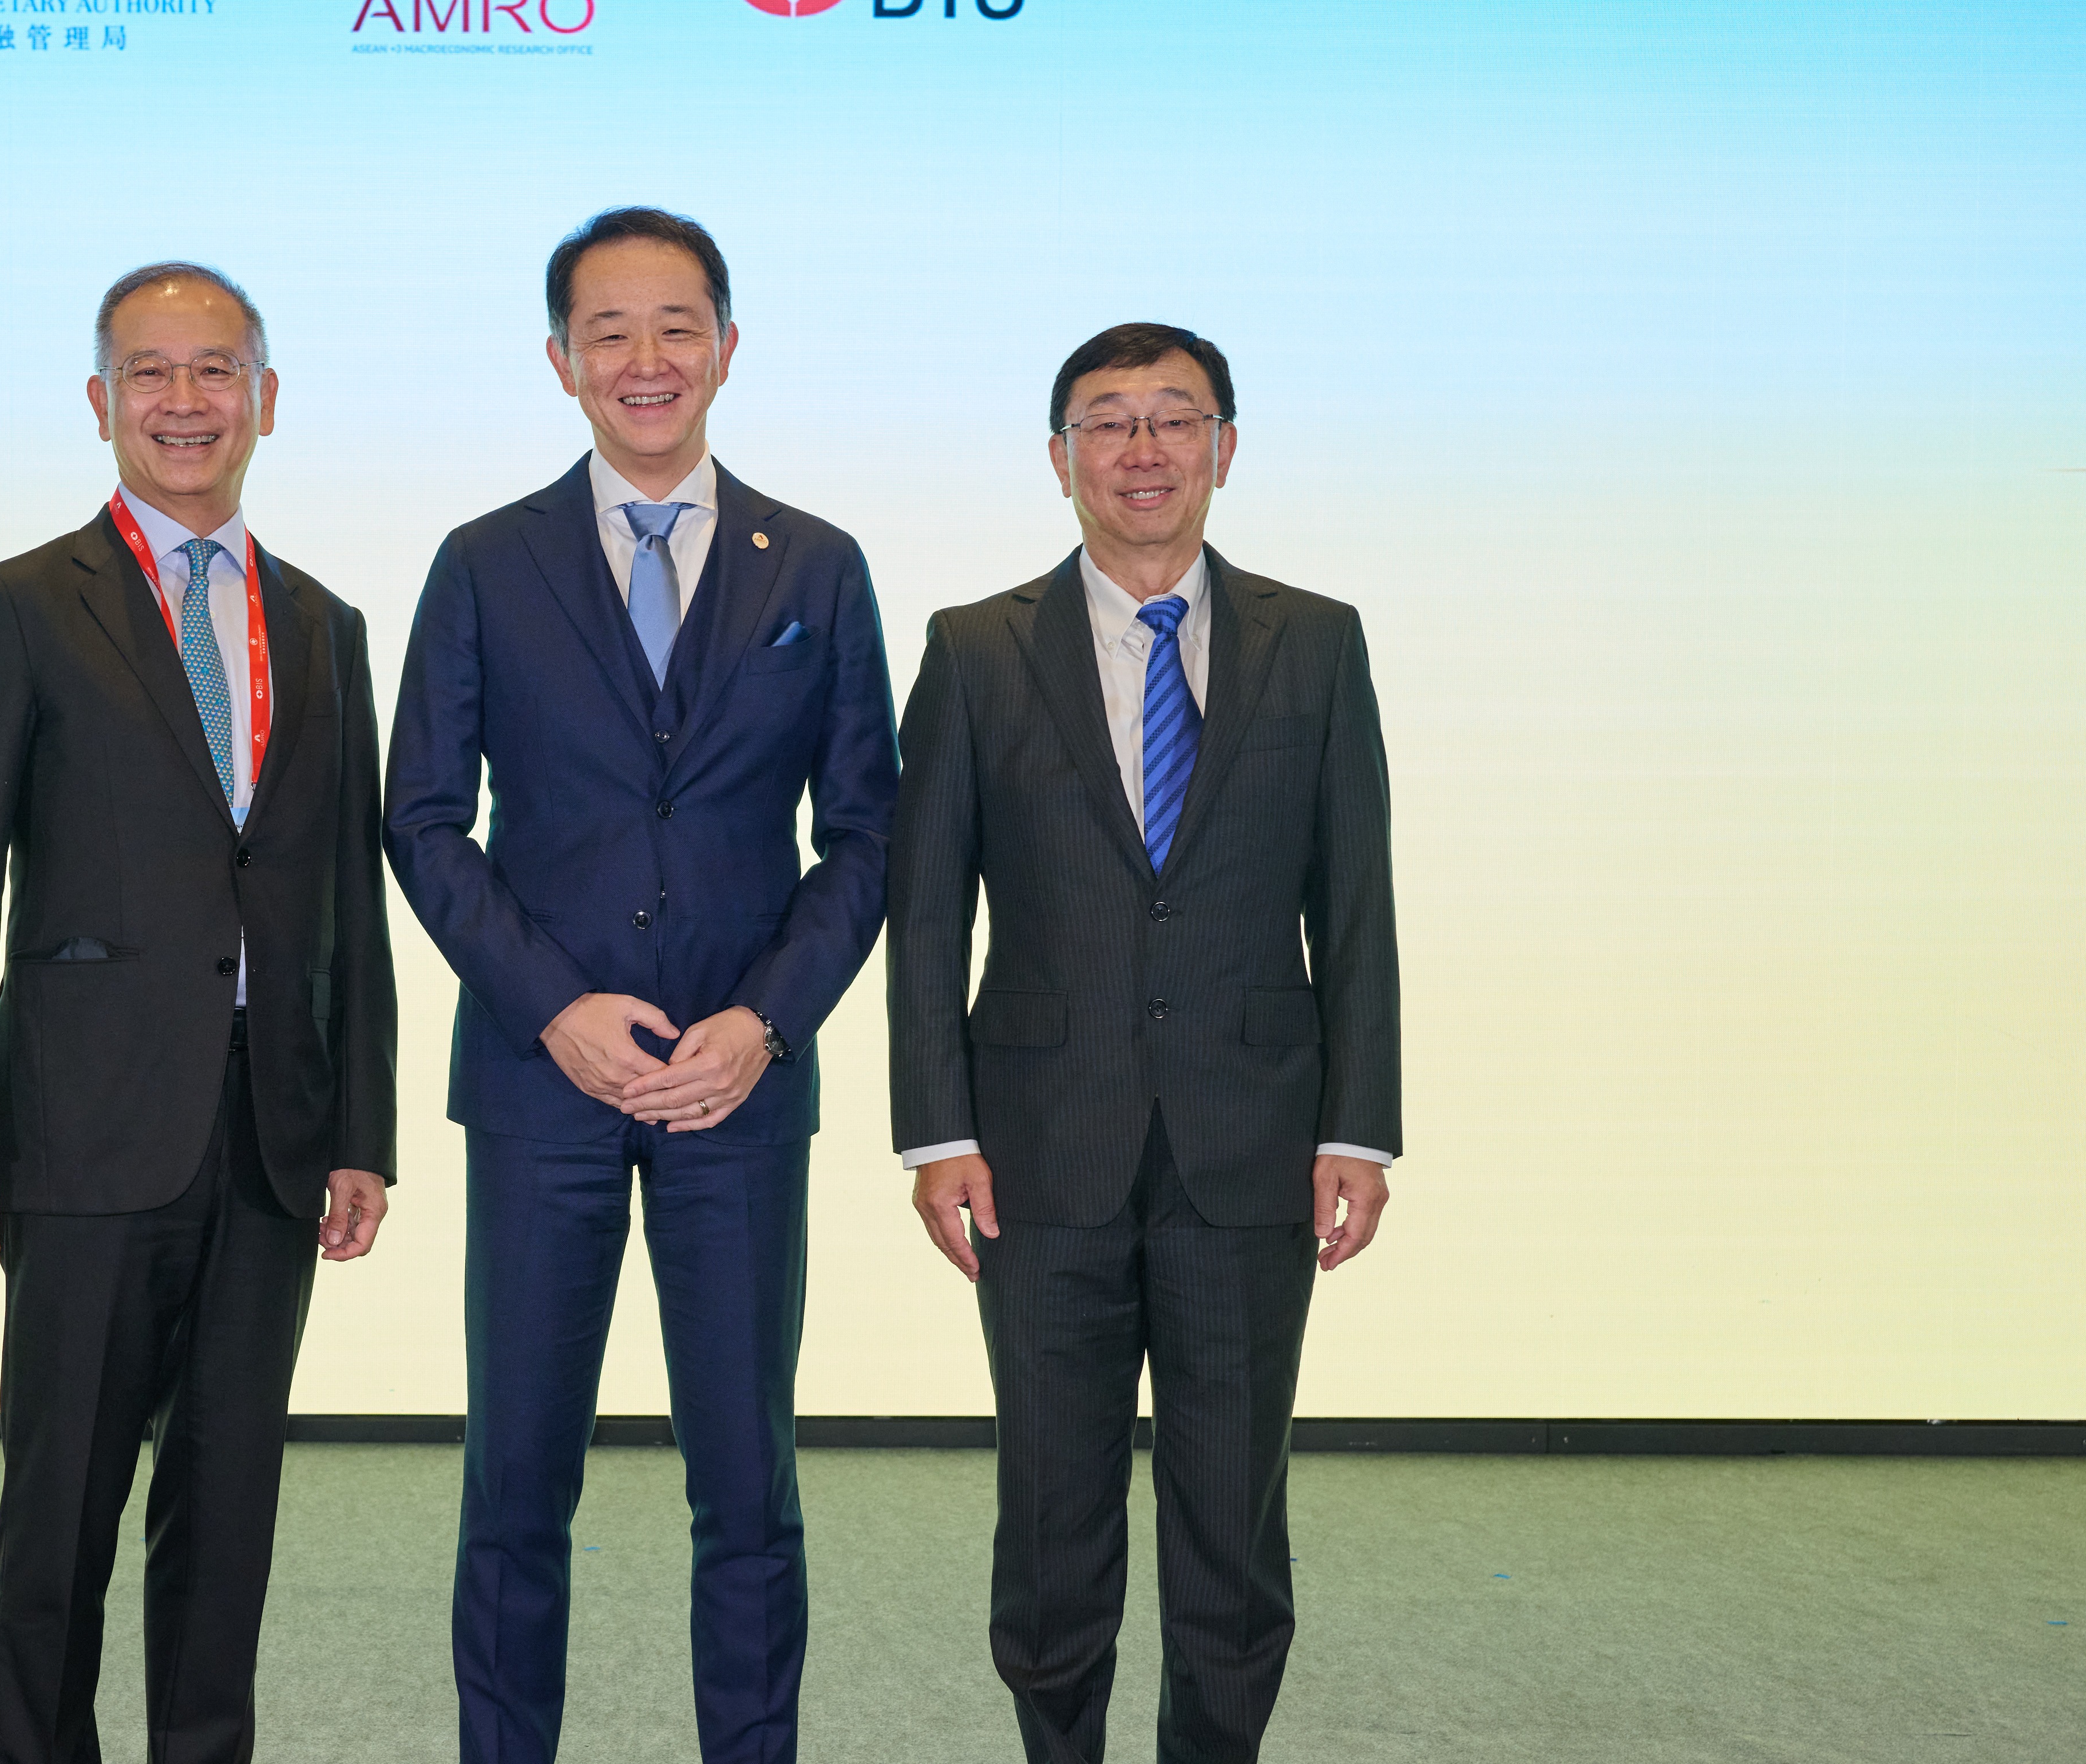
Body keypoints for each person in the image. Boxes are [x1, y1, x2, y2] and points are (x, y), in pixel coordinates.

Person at [386, 207, 898, 1764]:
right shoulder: (486, 562)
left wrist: (764, 1021)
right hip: (541, 1085)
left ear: (728, 348)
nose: (646, 359)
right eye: (608, 331)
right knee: (516, 1480)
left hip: (739, 1092)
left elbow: (868, 833)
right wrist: (552, 1005)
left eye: (677, 326)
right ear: (562, 362)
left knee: (747, 1484)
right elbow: (423, 818)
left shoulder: (819, 563)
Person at [0, 262, 398, 1764]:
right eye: (151, 373)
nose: (186, 401)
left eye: (216, 369)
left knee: (228, 1518)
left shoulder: (324, 625)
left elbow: (349, 903)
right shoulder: (23, 606)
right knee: (60, 1517)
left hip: (270, 1138)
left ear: (266, 398)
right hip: (84, 1137)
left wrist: (360, 1128)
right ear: (101, 401)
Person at [885, 323, 1400, 1764]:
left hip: (1253, 1145)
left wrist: (1357, 1125)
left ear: (1225, 446)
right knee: (1053, 1520)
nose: (1143, 448)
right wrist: (937, 1131)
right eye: (1107, 421)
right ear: (1060, 459)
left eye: (1175, 417)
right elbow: (926, 912)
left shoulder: (1318, 641)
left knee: (1232, 1521)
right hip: (1040, 1151)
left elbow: (1355, 899)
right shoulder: (976, 649)